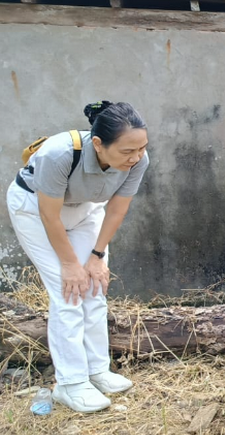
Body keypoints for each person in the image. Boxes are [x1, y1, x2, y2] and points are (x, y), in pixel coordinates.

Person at [7, 101, 150, 411]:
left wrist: (97, 256)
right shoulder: (58, 154)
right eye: (127, 151)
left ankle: (97, 370)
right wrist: (70, 264)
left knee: (95, 286)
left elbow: (117, 208)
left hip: (85, 210)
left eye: (141, 148)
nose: (136, 157)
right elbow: (49, 215)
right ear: (98, 144)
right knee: (68, 291)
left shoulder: (137, 159)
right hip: (35, 211)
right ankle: (70, 384)